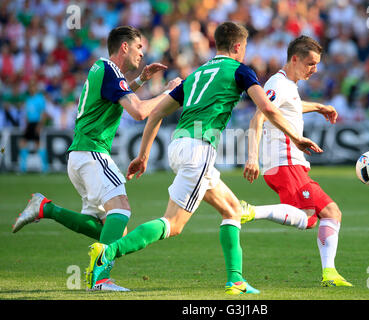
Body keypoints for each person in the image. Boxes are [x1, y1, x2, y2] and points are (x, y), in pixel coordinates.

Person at [85, 21, 323, 295]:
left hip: (181, 146)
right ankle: (108, 251)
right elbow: (266, 108)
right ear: (237, 46)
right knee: (173, 224)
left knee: (232, 210)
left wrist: (143, 156)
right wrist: (296, 137)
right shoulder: (240, 71)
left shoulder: (197, 73)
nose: (244, 53)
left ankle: (236, 281)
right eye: (244, 48)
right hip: (198, 150)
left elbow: (157, 113)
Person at [12, 26, 181, 291]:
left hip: (79, 157)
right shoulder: (110, 71)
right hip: (92, 153)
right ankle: (101, 277)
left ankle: (45, 207)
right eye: (139, 47)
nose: (142, 53)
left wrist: (140, 81)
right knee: (122, 210)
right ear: (124, 47)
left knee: (114, 229)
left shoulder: (101, 70)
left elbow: (113, 99)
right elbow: (137, 112)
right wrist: (170, 94)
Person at [241, 35, 352, 287]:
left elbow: (290, 106)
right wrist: (252, 158)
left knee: (331, 213)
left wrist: (319, 107)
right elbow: (258, 117)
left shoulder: (289, 85)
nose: (314, 69)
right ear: (294, 59)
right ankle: (250, 211)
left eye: (316, 64)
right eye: (310, 63)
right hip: (285, 162)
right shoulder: (277, 84)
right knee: (310, 217)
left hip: (291, 163)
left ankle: (330, 273)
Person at [18, 80, 49, 173]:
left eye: (33, 86)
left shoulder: (40, 98)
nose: (31, 88)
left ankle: (44, 167)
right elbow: (27, 114)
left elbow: (43, 113)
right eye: (30, 86)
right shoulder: (28, 99)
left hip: (36, 123)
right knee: (23, 143)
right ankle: (23, 167)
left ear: (35, 87)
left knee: (38, 144)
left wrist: (40, 125)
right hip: (29, 124)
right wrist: (26, 124)